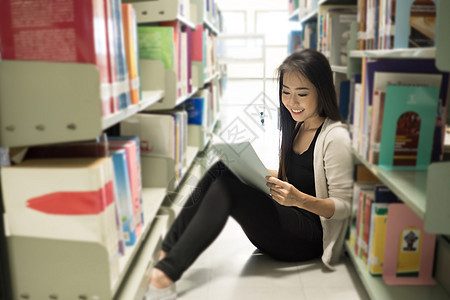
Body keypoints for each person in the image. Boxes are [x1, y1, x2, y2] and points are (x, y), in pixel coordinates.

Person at [145, 49, 354, 300]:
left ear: (322, 91)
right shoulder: (297, 126)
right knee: (221, 168)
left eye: (302, 94)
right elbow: (295, 178)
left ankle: (165, 275)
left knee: (226, 190)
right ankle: (167, 250)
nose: (291, 102)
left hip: (307, 239)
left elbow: (345, 206)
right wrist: (251, 169)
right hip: (287, 221)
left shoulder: (335, 137)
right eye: (285, 92)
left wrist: (299, 200)